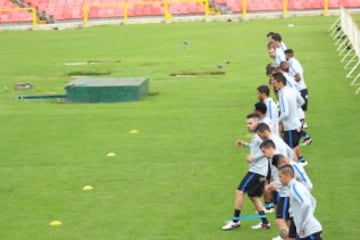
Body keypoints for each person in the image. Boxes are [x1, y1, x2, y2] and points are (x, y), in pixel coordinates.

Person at [221, 113, 271, 231]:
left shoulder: (260, 137)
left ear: (257, 123)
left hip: (256, 171)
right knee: (253, 196)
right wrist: (245, 144)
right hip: (259, 171)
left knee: (239, 191)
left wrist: (253, 158)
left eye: (250, 123)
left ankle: (235, 221)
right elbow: (256, 148)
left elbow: (266, 152)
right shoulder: (257, 137)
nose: (248, 126)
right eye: (247, 124)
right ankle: (265, 223)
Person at [278, 165, 323, 240]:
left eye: (280, 177)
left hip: (310, 231)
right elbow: (313, 201)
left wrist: (302, 224)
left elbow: (306, 204)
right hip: (307, 232)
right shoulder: (296, 186)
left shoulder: (295, 188)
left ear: (287, 176)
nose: (279, 180)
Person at [273, 72, 306, 164]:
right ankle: (301, 163)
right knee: (294, 148)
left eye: (275, 83)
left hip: (290, 127)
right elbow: (302, 102)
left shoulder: (282, 95)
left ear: (280, 83)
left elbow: (285, 113)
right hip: (298, 124)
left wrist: (277, 121)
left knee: (290, 152)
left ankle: (295, 171)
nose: (274, 85)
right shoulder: (292, 90)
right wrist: (294, 108)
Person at [285, 49, 312, 145]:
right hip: (300, 90)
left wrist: (290, 80)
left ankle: (305, 135)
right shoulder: (294, 62)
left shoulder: (293, 64)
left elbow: (299, 77)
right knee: (298, 115)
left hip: (300, 90)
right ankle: (305, 134)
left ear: (287, 55)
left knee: (297, 114)